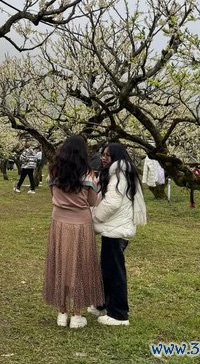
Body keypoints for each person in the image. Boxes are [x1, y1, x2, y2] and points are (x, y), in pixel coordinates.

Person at [43, 135, 104, 329]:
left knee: (60, 263)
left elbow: (53, 194)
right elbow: (93, 202)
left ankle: (62, 312)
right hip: (81, 224)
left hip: (59, 221)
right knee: (80, 265)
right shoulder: (88, 174)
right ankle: (77, 314)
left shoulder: (53, 172)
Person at [90, 143, 147, 326]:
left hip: (116, 230)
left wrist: (95, 217)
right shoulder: (120, 172)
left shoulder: (120, 174)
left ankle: (119, 314)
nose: (103, 158)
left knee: (115, 273)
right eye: (103, 154)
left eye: (108, 155)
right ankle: (103, 304)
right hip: (116, 228)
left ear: (117, 156)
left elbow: (112, 203)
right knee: (107, 270)